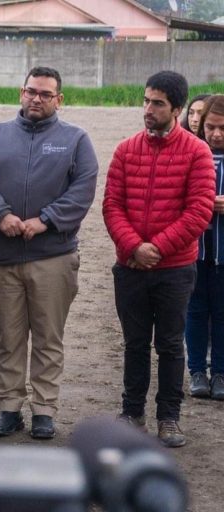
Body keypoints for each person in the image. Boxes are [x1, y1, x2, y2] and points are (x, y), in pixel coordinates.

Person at [0, 67, 98, 440]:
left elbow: (83, 189)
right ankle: (9, 407)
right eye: (31, 91)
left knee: (48, 337)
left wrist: (45, 220)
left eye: (46, 94)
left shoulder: (76, 139)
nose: (37, 99)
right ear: (21, 92)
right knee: (9, 337)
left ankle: (44, 410)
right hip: (3, 256)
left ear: (59, 100)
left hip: (53, 256)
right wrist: (1, 214)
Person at [103, 70, 215, 448]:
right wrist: (135, 246)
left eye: (157, 103)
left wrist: (158, 247)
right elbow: (112, 206)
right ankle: (132, 412)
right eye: (146, 100)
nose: (148, 109)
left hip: (175, 269)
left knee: (169, 344)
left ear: (177, 109)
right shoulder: (125, 149)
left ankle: (169, 416)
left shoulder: (196, 152)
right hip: (131, 266)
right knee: (134, 343)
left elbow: (199, 210)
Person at [186, 94, 224, 401]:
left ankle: (220, 372)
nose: (216, 134)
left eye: (223, 128)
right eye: (210, 127)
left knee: (222, 313)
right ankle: (197, 370)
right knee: (196, 311)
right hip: (194, 250)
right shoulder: (191, 154)